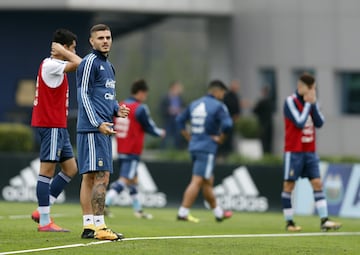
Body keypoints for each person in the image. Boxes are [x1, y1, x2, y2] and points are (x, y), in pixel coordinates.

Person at [76, 24, 130, 240]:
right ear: (92, 41)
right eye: (100, 38)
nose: (105, 41)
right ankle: (100, 227)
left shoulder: (110, 66)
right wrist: (97, 122)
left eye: (108, 37)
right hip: (94, 129)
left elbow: (108, 95)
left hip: (104, 128)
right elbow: (84, 96)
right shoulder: (89, 62)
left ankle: (89, 226)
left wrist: (118, 109)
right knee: (101, 176)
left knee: (90, 177)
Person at [30, 28, 82, 232]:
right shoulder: (51, 64)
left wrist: (64, 51)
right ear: (64, 47)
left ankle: (41, 209)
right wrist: (64, 51)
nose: (74, 51)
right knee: (47, 172)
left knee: (71, 169)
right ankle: (44, 221)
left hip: (58, 127)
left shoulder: (55, 64)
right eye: (73, 47)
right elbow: (81, 64)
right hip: (50, 125)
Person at [282, 73, 341, 232]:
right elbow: (299, 122)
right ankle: (289, 223)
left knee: (317, 183)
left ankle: (324, 220)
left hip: (310, 151)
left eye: (314, 88)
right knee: (289, 185)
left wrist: (313, 105)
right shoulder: (290, 101)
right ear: (301, 87)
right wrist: (309, 104)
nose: (313, 91)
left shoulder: (312, 102)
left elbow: (320, 123)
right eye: (311, 88)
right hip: (294, 151)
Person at [105, 79, 165, 219]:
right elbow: (149, 126)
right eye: (145, 95)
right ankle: (105, 203)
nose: (145, 98)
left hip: (121, 149)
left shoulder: (120, 105)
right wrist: (160, 133)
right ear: (141, 93)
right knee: (125, 179)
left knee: (133, 181)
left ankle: (138, 211)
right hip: (132, 150)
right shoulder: (140, 108)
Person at [176, 80, 233, 223]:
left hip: (194, 146)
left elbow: (179, 120)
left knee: (207, 181)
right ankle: (183, 212)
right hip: (207, 148)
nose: (223, 96)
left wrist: (189, 137)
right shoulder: (219, 106)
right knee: (197, 180)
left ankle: (218, 213)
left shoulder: (195, 103)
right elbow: (228, 125)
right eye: (223, 93)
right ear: (217, 91)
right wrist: (221, 138)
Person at [218, 80, 241, 158]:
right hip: (227, 120)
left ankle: (228, 153)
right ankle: (222, 153)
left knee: (230, 138)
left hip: (232, 121)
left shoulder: (236, 96)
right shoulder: (227, 96)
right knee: (226, 138)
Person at [159, 81, 185, 149]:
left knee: (178, 137)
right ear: (173, 88)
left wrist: (180, 110)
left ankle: (177, 152)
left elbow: (184, 108)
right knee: (165, 137)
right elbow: (160, 109)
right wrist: (169, 110)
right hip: (168, 120)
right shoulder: (165, 98)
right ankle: (163, 152)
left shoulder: (181, 98)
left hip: (177, 120)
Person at [253, 85, 274, 154]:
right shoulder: (270, 101)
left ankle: (265, 154)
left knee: (264, 141)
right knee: (269, 141)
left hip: (262, 124)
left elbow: (255, 111)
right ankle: (268, 154)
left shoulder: (262, 102)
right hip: (269, 124)